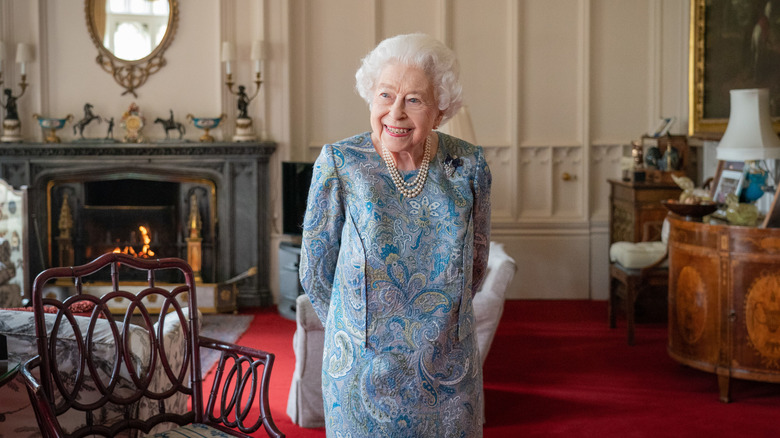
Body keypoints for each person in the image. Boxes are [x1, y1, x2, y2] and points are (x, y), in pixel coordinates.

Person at [299, 33, 491, 437]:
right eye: (386, 95)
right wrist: (353, 331)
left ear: (439, 111)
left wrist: (443, 328)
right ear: (371, 98)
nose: (396, 113)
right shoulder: (340, 163)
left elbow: (475, 263)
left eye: (414, 100)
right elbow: (315, 271)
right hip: (361, 370)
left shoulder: (468, 165)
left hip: (449, 369)